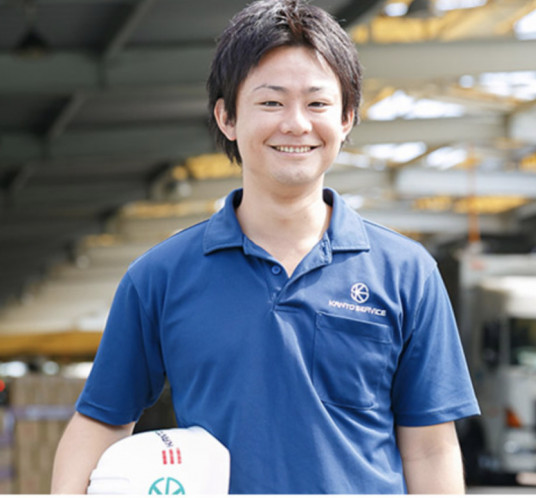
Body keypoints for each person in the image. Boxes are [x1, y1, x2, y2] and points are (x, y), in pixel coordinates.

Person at [51, 0, 480, 493]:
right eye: (271, 103)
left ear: (347, 118)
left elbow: (429, 446)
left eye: (317, 104)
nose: (296, 124)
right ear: (227, 117)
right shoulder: (160, 277)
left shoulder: (406, 273)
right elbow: (101, 421)